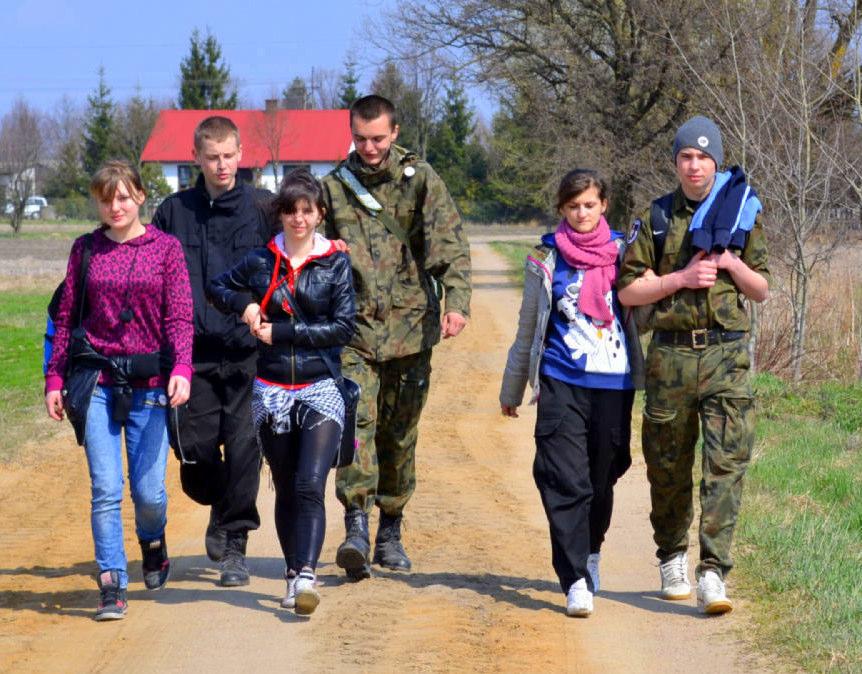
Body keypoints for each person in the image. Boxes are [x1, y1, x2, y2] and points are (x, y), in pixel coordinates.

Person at [617, 116, 770, 614]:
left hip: (726, 353)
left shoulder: (743, 212)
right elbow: (628, 289)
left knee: (725, 465)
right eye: (686, 156)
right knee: (667, 464)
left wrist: (731, 263)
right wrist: (679, 277)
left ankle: (714, 572)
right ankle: (671, 556)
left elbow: (762, 289)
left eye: (704, 157)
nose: (695, 165)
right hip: (672, 355)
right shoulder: (658, 216)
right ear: (676, 162)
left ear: (716, 162)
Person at [321, 95, 471, 579]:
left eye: (378, 138)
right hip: (353, 331)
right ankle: (356, 528)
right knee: (354, 425)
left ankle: (391, 529)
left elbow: (449, 245)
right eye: (361, 138)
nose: (369, 147)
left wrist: (458, 303)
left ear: (395, 133)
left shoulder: (421, 180)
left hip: (411, 329)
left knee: (399, 435)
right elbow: (304, 248)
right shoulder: (331, 189)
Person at [45, 159, 193, 621]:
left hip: (151, 387)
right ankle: (111, 583)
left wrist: (183, 368)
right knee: (106, 488)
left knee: (149, 493)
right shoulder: (84, 249)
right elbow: (66, 318)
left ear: (141, 197)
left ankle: (153, 541)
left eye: (124, 197)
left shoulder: (166, 249)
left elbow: (180, 316)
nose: (116, 206)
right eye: (107, 199)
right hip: (98, 384)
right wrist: (55, 377)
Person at [207, 169, 355, 615]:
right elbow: (217, 287)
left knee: (311, 483)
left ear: (319, 215)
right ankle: (292, 575)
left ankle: (307, 575)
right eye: (290, 210)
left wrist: (284, 331)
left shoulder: (335, 262)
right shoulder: (261, 261)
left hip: (320, 386)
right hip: (272, 391)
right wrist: (247, 304)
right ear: (281, 215)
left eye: (306, 210)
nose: (298, 218)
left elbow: (343, 327)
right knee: (288, 488)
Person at [499, 169, 643, 617]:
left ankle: (592, 550)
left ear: (604, 206)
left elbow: (648, 308)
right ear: (562, 209)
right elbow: (528, 330)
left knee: (601, 481)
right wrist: (511, 387)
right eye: (573, 206)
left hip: (614, 385)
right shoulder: (545, 259)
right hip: (562, 381)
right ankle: (575, 578)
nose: (582, 213)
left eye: (590, 204)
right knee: (565, 481)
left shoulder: (626, 254)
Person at [152, 116, 271, 587]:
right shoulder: (173, 211)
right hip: (190, 354)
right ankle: (220, 503)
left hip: (247, 355)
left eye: (229, 156)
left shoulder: (263, 209)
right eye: (212, 157)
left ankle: (236, 544)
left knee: (245, 447)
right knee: (196, 456)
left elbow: (297, 249)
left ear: (241, 154)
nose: (222, 165)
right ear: (196, 158)